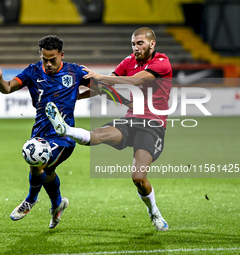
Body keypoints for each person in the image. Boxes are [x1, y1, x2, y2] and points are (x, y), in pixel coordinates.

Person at [46, 27, 171, 231]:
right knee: (100, 135)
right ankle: (65, 129)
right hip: (132, 118)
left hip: (153, 124)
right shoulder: (128, 61)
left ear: (152, 44)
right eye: (133, 43)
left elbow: (135, 80)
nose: (136, 47)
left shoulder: (161, 62)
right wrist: (72, 95)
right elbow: (102, 88)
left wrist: (101, 76)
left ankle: (154, 213)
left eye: (140, 43)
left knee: (138, 178)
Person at [0, 35, 90, 229]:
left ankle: (31, 199)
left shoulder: (75, 71)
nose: (49, 64)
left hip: (64, 137)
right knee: (48, 171)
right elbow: (8, 88)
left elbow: (101, 88)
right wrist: (0, 80)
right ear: (40, 55)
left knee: (37, 162)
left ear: (62, 55)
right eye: (45, 59)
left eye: (53, 59)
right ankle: (57, 204)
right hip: (40, 133)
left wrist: (78, 96)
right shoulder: (33, 71)